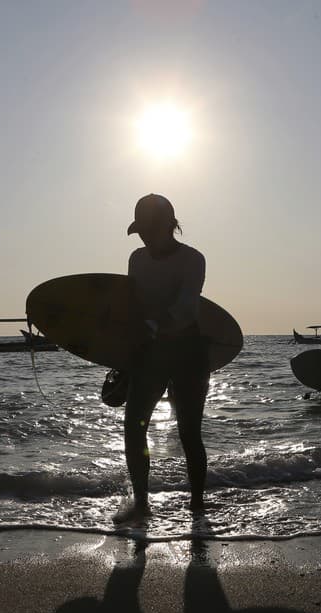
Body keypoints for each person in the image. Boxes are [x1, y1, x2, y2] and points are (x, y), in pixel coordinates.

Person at [117, 194, 209, 523]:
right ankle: (141, 504)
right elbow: (133, 306)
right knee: (134, 427)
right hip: (148, 352)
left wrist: (151, 329)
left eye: (148, 229)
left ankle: (197, 505)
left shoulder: (192, 260)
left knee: (189, 432)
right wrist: (122, 355)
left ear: (168, 226)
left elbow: (185, 309)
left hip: (188, 350)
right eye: (140, 230)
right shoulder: (137, 259)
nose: (143, 236)